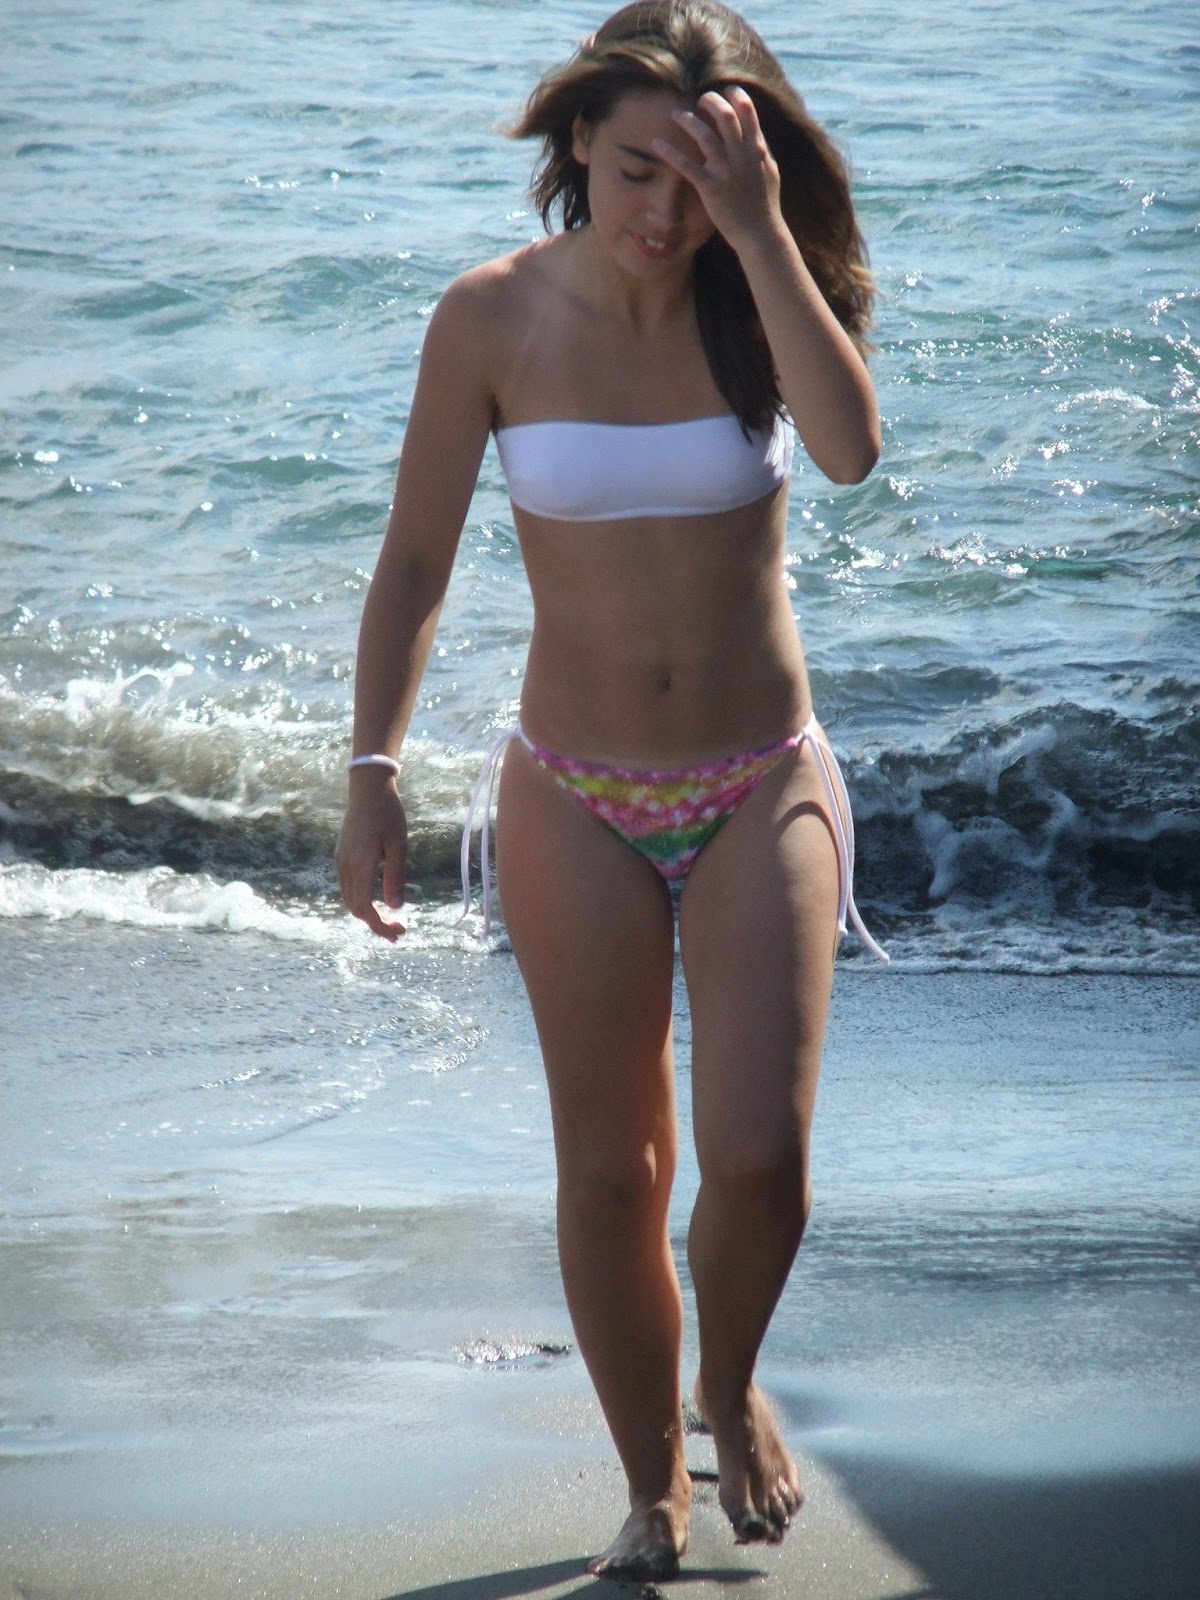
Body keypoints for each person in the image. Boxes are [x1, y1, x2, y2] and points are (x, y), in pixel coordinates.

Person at [336, 0, 888, 1580]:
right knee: (608, 1168)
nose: (662, 211)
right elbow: (417, 560)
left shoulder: (752, 290)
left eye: (697, 179)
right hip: (571, 791)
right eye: (639, 169)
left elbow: (848, 450)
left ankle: (729, 1380)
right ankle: (651, 1481)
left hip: (761, 778)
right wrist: (373, 769)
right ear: (579, 140)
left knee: (761, 1159)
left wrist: (759, 231)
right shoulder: (491, 318)